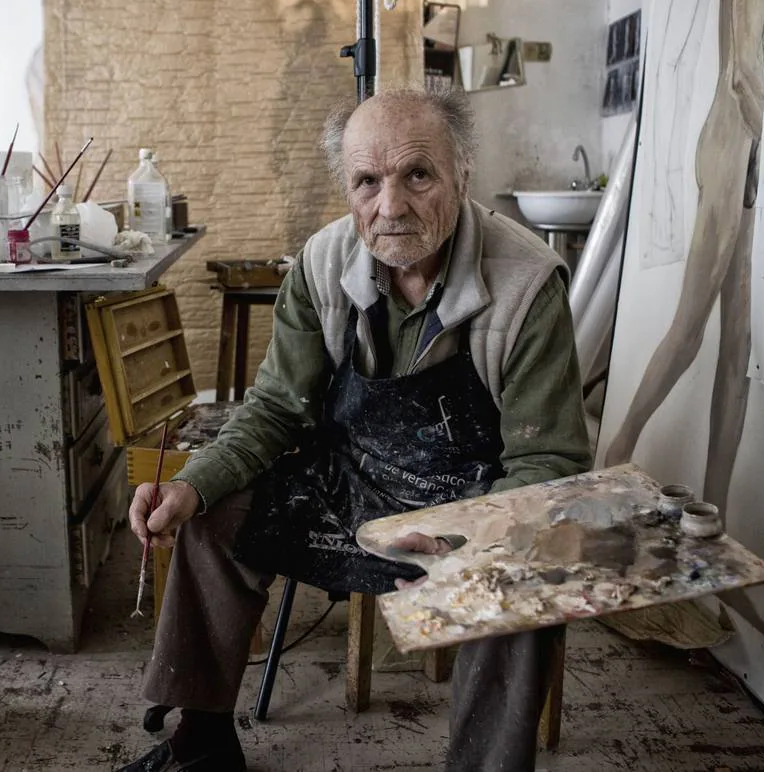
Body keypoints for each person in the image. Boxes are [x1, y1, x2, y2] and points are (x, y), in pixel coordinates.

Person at [116, 87, 591, 772]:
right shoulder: (321, 264)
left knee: (518, 578)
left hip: (473, 502)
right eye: (367, 181)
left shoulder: (525, 283)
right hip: (348, 486)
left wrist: (467, 543)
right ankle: (202, 741)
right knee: (210, 514)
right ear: (347, 185)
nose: (390, 207)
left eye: (417, 175)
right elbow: (278, 409)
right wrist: (191, 485)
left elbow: (546, 461)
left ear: (463, 173)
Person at [603, 0, 764, 637]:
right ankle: (613, 459)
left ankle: (718, 536)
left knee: (738, 348)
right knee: (690, 329)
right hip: (734, 136)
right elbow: (743, 66)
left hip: (762, 146)